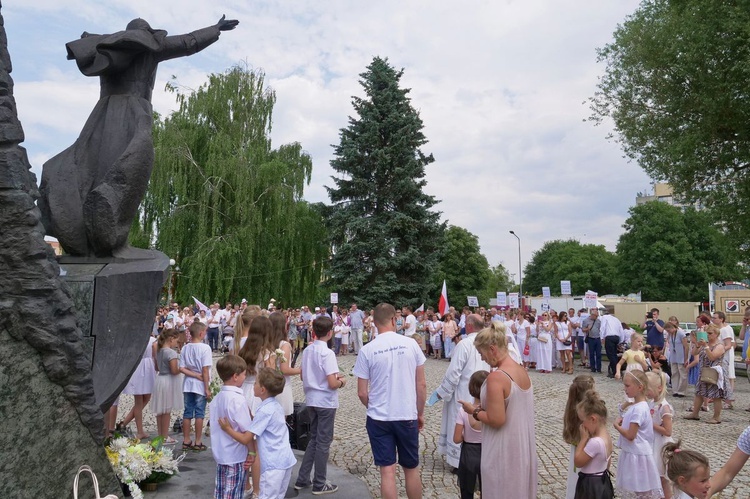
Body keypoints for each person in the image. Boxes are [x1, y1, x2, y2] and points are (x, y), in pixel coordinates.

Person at [353, 303, 427, 499]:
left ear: (374, 323)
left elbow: (361, 392)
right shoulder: (411, 344)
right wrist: (419, 412)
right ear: (395, 320)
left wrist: (374, 406)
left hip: (378, 417)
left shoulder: (367, 350)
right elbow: (421, 385)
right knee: (411, 469)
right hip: (406, 414)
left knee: (387, 471)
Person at [459, 321, 537, 498]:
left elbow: (497, 419)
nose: (482, 358)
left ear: (492, 349)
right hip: (522, 446)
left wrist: (474, 411)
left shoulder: (496, 378)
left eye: (481, 353)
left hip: (503, 449)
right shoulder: (521, 370)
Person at [219, 368, 296, 499]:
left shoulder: (265, 410)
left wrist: (228, 429)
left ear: (262, 390)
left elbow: (245, 439)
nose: (253, 385)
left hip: (273, 464)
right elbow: (261, 424)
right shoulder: (274, 405)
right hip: (285, 460)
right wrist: (249, 414)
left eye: (255, 383)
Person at [293, 316, 344, 495]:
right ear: (330, 333)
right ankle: (320, 482)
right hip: (326, 401)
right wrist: (341, 381)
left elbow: (302, 375)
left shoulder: (307, 350)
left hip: (312, 399)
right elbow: (332, 382)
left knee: (314, 440)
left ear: (313, 331)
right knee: (323, 442)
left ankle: (303, 478)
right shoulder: (327, 353)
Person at [434, 314, 490, 470]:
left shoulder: (464, 344)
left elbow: (453, 373)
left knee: (458, 422)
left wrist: (442, 392)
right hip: (483, 392)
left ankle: (458, 460)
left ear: (470, 326)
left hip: (463, 394)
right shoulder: (487, 342)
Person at [613, 370, 663, 498]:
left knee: (640, 489)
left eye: (627, 386)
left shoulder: (639, 409)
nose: (625, 389)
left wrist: (617, 426)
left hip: (637, 454)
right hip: (634, 452)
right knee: (638, 489)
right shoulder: (639, 406)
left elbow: (631, 435)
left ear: (640, 387)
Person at [209, 355, 251, 499]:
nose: (245, 377)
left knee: (221, 491)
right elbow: (247, 431)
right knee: (233, 493)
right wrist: (252, 452)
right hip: (235, 455)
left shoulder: (217, 398)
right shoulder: (238, 400)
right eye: (244, 374)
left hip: (221, 453)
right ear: (235, 376)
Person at [453, 370, 489, 499]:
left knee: (466, 490)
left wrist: (466, 436)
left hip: (468, 453)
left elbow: (456, 439)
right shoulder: (491, 412)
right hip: (487, 452)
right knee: (488, 490)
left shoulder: (464, 412)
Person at [573, 389, 614, 499]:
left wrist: (583, 440)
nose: (582, 425)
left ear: (592, 419)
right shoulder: (607, 437)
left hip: (590, 485)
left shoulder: (595, 442)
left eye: (583, 421)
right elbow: (608, 462)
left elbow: (578, 461)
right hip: (602, 480)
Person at [684, 323, 727, 424]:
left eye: (710, 333)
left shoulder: (719, 345)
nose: (708, 335)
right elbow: (694, 353)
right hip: (703, 371)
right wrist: (698, 345)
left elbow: (712, 357)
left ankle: (716, 417)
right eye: (707, 333)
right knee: (699, 393)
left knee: (716, 395)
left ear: (716, 334)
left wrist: (706, 347)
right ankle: (695, 413)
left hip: (714, 372)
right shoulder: (705, 344)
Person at [179, 321, 212, 451]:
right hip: (199, 385)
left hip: (188, 383)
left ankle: (186, 439)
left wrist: (193, 374)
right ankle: (198, 441)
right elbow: (205, 370)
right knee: (199, 413)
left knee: (187, 412)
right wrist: (206, 387)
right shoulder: (205, 348)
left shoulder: (185, 348)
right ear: (200, 333)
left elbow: (181, 368)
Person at [563, 374, 596, 499]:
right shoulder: (586, 411)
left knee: (574, 478)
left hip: (577, 448)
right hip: (586, 449)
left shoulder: (572, 406)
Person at [119, 332, 157, 440]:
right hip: (146, 367)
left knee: (144, 399)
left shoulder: (137, 340)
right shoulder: (152, 340)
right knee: (139, 402)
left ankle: (123, 423)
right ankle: (139, 431)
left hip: (140, 367)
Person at [646, 370, 674, 499]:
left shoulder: (664, 407)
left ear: (659, 388)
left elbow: (668, 431)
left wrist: (650, 424)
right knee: (652, 475)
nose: (646, 392)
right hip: (651, 441)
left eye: (648, 389)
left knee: (662, 477)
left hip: (660, 444)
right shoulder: (651, 402)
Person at [152, 329, 183, 443]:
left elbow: (156, 367)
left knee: (160, 410)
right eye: (176, 340)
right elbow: (174, 370)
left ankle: (160, 435)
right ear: (171, 339)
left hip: (160, 379)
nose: (176, 343)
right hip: (168, 381)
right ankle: (165, 436)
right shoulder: (171, 353)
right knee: (166, 410)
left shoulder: (159, 351)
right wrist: (183, 369)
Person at [268, 311, 300, 417]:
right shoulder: (284, 345)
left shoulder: (266, 342)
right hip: (281, 385)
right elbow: (284, 369)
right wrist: (301, 369)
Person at [713, 311, 736, 409]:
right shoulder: (716, 329)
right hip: (718, 355)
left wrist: (720, 350)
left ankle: (728, 400)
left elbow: (729, 345)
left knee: (727, 377)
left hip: (724, 355)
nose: (713, 320)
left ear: (721, 319)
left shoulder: (725, 330)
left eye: (715, 318)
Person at [582, 309, 602, 373]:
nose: (597, 317)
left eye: (597, 316)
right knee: (591, 354)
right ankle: (593, 368)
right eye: (596, 316)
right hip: (591, 338)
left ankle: (599, 368)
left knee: (598, 354)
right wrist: (588, 328)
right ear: (592, 315)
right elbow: (583, 329)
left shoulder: (598, 321)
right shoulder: (586, 321)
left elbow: (600, 329)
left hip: (598, 338)